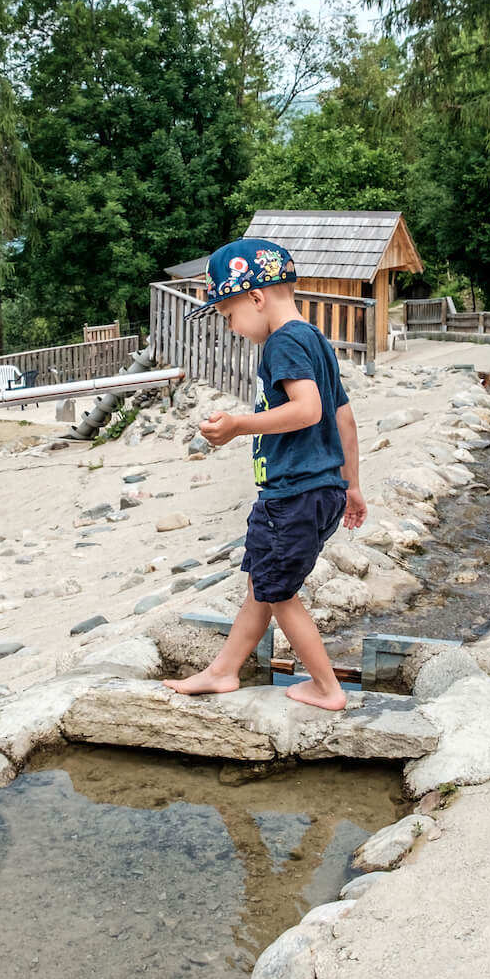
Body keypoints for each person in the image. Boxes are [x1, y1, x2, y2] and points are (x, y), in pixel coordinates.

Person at [163, 238, 366, 711]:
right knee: (263, 581)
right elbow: (345, 419)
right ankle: (224, 669)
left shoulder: (282, 343)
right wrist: (352, 485)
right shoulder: (314, 339)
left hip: (293, 493)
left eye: (228, 314)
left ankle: (326, 687)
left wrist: (237, 427)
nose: (230, 326)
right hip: (322, 490)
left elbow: (308, 410)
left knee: (280, 593)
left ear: (256, 297)